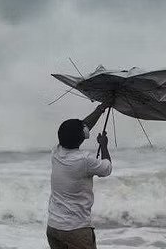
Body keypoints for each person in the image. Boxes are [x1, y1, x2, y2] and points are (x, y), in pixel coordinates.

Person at [46, 103, 112, 249]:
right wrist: (104, 145)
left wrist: (100, 109)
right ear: (84, 136)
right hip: (75, 231)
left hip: (54, 227)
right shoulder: (85, 160)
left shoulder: (56, 152)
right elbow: (107, 168)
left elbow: (82, 127)